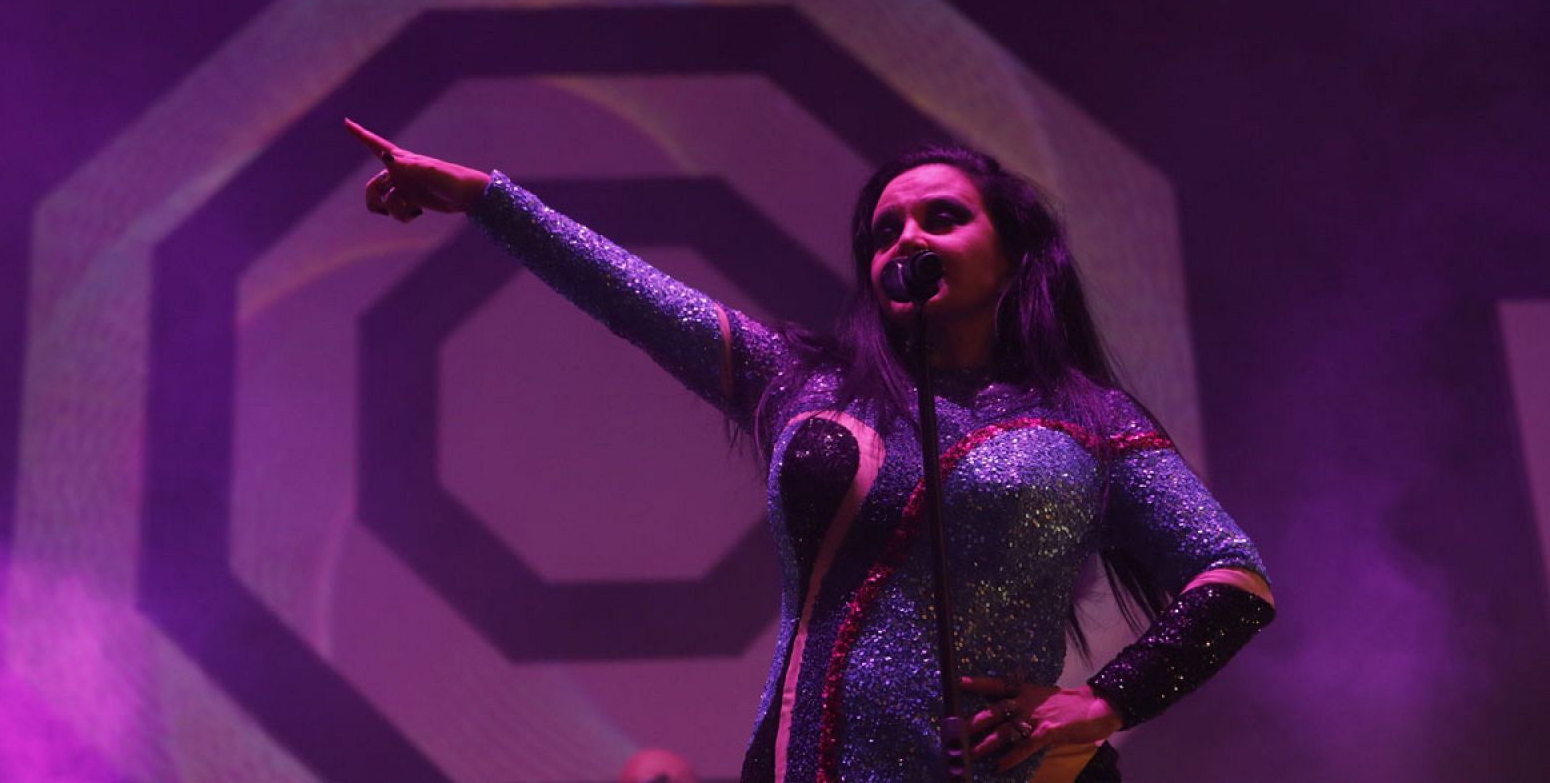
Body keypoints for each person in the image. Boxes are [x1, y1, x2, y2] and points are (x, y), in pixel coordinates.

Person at [346, 119, 1275, 782]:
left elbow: (1234, 580)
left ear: (1017, 254)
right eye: (884, 232)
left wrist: (1100, 704)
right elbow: (631, 295)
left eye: (942, 218)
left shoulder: (1091, 420)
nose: (907, 237)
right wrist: (487, 201)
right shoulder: (804, 380)